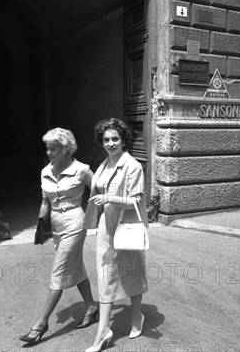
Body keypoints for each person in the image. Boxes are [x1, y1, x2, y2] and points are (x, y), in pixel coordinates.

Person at [19, 128, 97, 344]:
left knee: (59, 271)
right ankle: (91, 306)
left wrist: (93, 218)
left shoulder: (82, 170)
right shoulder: (45, 171)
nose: (49, 153)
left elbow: (99, 191)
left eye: (53, 149)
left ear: (66, 148)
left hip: (74, 223)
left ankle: (41, 324)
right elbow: (45, 202)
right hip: (56, 225)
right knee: (76, 268)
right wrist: (40, 227)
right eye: (47, 148)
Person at [84, 118, 149, 352]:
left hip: (127, 227)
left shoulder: (132, 165)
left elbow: (136, 201)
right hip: (106, 227)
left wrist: (110, 198)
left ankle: (136, 316)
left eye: (115, 139)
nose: (110, 143)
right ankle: (103, 331)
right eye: (106, 139)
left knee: (132, 272)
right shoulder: (103, 165)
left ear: (123, 140)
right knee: (105, 275)